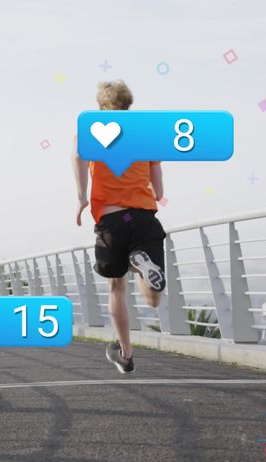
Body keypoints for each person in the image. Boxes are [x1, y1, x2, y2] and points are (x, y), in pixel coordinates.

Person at [73, 80, 167, 374]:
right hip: (143, 217)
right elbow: (158, 181)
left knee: (116, 286)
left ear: (101, 107)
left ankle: (125, 354)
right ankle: (144, 268)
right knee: (152, 299)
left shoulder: (89, 131)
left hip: (112, 221)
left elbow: (77, 157)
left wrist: (81, 199)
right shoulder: (145, 134)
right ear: (128, 105)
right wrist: (156, 192)